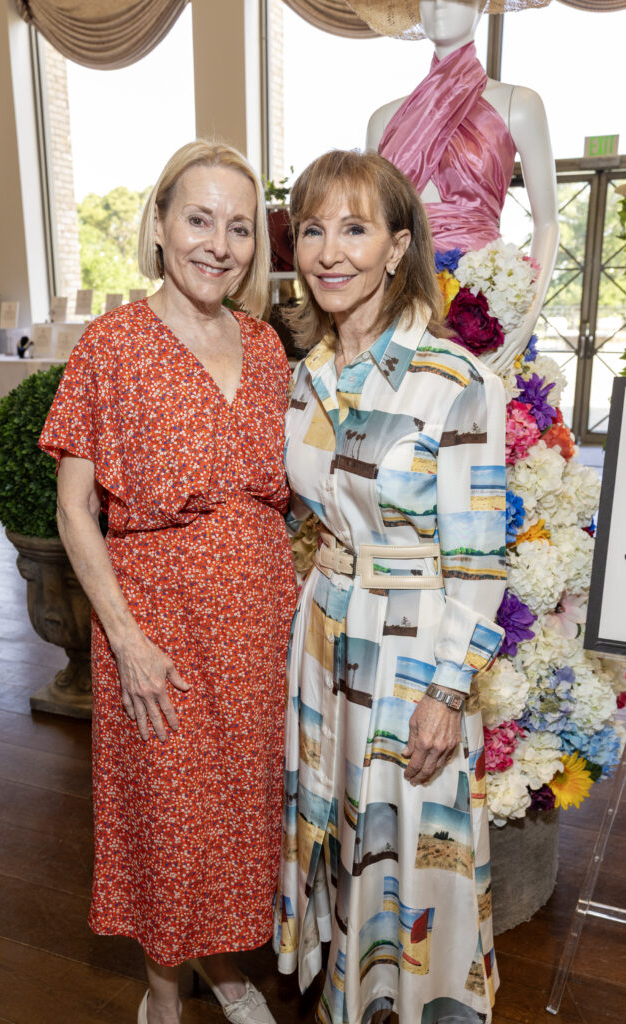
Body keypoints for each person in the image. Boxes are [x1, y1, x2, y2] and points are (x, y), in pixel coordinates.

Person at [39, 140, 296, 1024]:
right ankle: (162, 992)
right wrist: (124, 638)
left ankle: (223, 966)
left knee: (237, 814)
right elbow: (74, 509)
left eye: (239, 227)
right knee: (168, 817)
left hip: (259, 619)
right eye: (198, 219)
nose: (218, 244)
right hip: (158, 625)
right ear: (158, 224)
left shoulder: (265, 345)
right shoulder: (111, 345)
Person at [273, 149, 506, 1024]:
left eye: (355, 229)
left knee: (410, 846)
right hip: (324, 637)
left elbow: (479, 558)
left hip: (411, 651)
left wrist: (448, 691)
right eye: (313, 230)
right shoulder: (308, 376)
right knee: (338, 830)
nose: (330, 252)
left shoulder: (455, 382)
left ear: (398, 247)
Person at [359, 0, 559, 374]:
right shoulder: (383, 120)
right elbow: (370, 228)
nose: (438, 4)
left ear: (482, 3)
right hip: (401, 306)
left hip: (483, 309)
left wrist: (527, 316)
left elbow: (547, 223)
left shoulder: (519, 104)